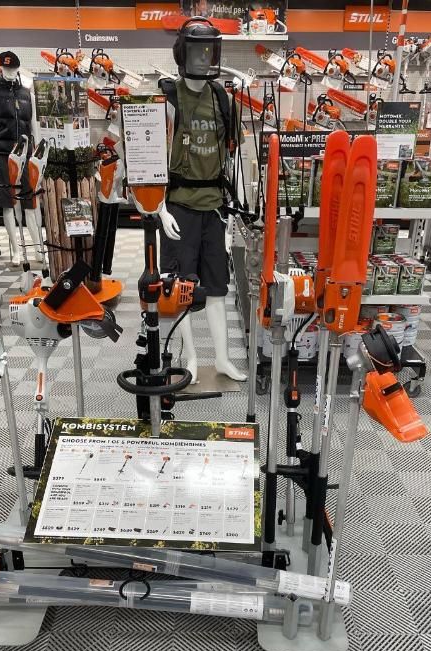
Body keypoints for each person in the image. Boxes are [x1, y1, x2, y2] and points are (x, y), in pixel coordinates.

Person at [158, 17, 246, 382]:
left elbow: (235, 156)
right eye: (195, 49)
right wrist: (159, 208)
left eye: (208, 50)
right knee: (182, 291)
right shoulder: (168, 97)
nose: (202, 57)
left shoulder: (223, 99)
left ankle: (223, 359)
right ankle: (191, 359)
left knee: (217, 288)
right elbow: (150, 156)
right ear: (182, 52)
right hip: (178, 206)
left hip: (215, 207)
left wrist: (237, 209)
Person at [0, 51, 43, 266]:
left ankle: (38, 248)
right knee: (8, 204)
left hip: (26, 155)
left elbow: (34, 126)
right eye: (6, 69)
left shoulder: (27, 95)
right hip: (3, 155)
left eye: (13, 69)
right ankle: (16, 250)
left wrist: (38, 155)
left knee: (31, 203)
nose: (10, 73)